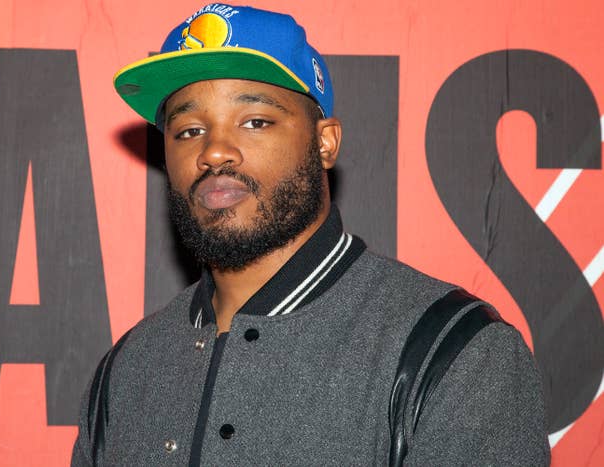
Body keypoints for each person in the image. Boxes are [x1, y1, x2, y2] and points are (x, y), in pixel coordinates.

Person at [72, 3, 550, 465]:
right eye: (189, 130)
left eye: (255, 121)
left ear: (324, 143)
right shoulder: (128, 369)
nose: (215, 152)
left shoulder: (456, 355)